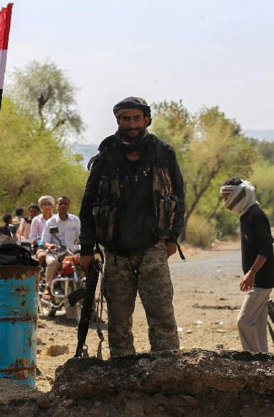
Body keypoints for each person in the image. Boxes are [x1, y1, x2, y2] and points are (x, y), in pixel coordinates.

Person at [79, 96, 185, 357]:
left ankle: (167, 370)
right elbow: (88, 205)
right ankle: (121, 373)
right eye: (126, 119)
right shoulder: (106, 157)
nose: (132, 124)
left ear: (147, 119)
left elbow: (179, 197)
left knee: (161, 315)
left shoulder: (163, 154)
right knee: (118, 320)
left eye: (137, 118)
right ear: (118, 121)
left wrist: (172, 238)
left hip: (153, 248)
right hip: (116, 252)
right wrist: (86, 248)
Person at [220, 177, 274, 353]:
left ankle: (252, 360)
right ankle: (263, 362)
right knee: (258, 326)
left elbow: (266, 247)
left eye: (227, 196)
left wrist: (251, 273)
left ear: (238, 195)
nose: (225, 202)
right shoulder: (246, 215)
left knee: (243, 322)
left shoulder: (256, 215)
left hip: (262, 280)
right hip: (258, 279)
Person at [41, 196, 80, 299]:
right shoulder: (51, 222)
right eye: (60, 204)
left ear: (69, 206)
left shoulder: (75, 220)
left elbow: (80, 237)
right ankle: (48, 288)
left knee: (84, 262)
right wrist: (50, 246)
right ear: (57, 206)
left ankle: (85, 287)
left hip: (71, 252)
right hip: (55, 252)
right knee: (53, 263)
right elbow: (44, 241)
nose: (63, 206)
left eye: (65, 204)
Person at [30, 196, 54, 265]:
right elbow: (32, 238)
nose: (47, 207)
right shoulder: (36, 220)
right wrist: (42, 243)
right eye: (45, 205)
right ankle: (39, 273)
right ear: (41, 207)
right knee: (41, 256)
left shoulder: (56, 219)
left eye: (49, 204)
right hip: (41, 246)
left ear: (52, 206)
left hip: (56, 246)